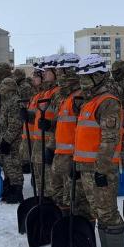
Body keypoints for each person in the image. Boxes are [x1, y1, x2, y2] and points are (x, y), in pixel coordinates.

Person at [73, 54, 124, 247]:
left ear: (98, 77)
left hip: (101, 167)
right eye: (82, 77)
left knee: (108, 211)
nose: (83, 81)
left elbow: (109, 139)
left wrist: (102, 169)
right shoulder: (90, 101)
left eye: (87, 77)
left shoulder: (108, 102)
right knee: (99, 210)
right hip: (87, 166)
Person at [47, 53, 91, 217]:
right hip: (61, 154)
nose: (58, 75)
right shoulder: (63, 96)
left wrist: (78, 161)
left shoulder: (81, 96)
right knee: (59, 194)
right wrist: (51, 144)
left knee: (76, 199)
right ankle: (65, 228)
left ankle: (79, 234)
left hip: (74, 156)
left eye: (61, 72)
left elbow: (85, 130)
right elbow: (62, 124)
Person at [27, 57, 60, 199]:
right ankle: (43, 205)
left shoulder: (56, 93)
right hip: (39, 141)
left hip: (49, 142)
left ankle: (50, 209)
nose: (44, 74)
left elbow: (60, 120)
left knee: (50, 183)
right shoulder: (42, 94)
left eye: (47, 71)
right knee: (41, 181)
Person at [0, 76, 25, 203]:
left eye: (3, 87)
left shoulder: (15, 102)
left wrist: (7, 140)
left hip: (14, 140)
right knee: (7, 164)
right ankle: (8, 186)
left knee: (14, 165)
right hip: (6, 137)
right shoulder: (6, 101)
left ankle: (17, 191)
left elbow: (15, 124)